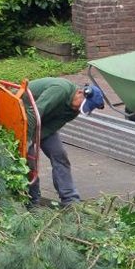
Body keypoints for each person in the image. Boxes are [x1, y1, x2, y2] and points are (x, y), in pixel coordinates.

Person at [24, 78, 104, 207]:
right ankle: (32, 200)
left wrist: (35, 138)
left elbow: (51, 127)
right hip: (22, 114)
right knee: (29, 159)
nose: (78, 109)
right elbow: (34, 113)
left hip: (42, 122)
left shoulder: (74, 109)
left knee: (59, 155)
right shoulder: (60, 90)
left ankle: (70, 200)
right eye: (81, 105)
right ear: (79, 92)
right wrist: (28, 140)